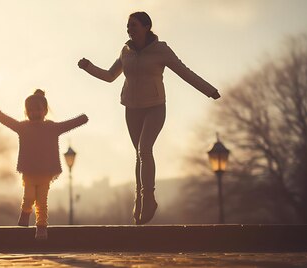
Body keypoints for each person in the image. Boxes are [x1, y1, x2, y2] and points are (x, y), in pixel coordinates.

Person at [77, 11, 221, 224]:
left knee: (145, 149)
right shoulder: (125, 51)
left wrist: (209, 90)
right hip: (131, 108)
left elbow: (184, 72)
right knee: (139, 154)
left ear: (146, 27)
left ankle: (149, 198)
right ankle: (139, 200)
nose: (129, 29)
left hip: (155, 107)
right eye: (128, 25)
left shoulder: (161, 50)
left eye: (134, 25)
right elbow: (109, 76)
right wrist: (88, 67)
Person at [0, 89, 88, 240]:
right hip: (29, 172)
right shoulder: (23, 127)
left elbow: (68, 124)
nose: (34, 113)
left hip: (45, 173)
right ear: (26, 112)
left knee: (42, 203)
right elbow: (7, 121)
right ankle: (25, 211)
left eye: (38, 110)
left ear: (45, 111)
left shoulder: (52, 127)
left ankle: (41, 227)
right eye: (30, 110)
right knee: (28, 197)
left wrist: (82, 119)